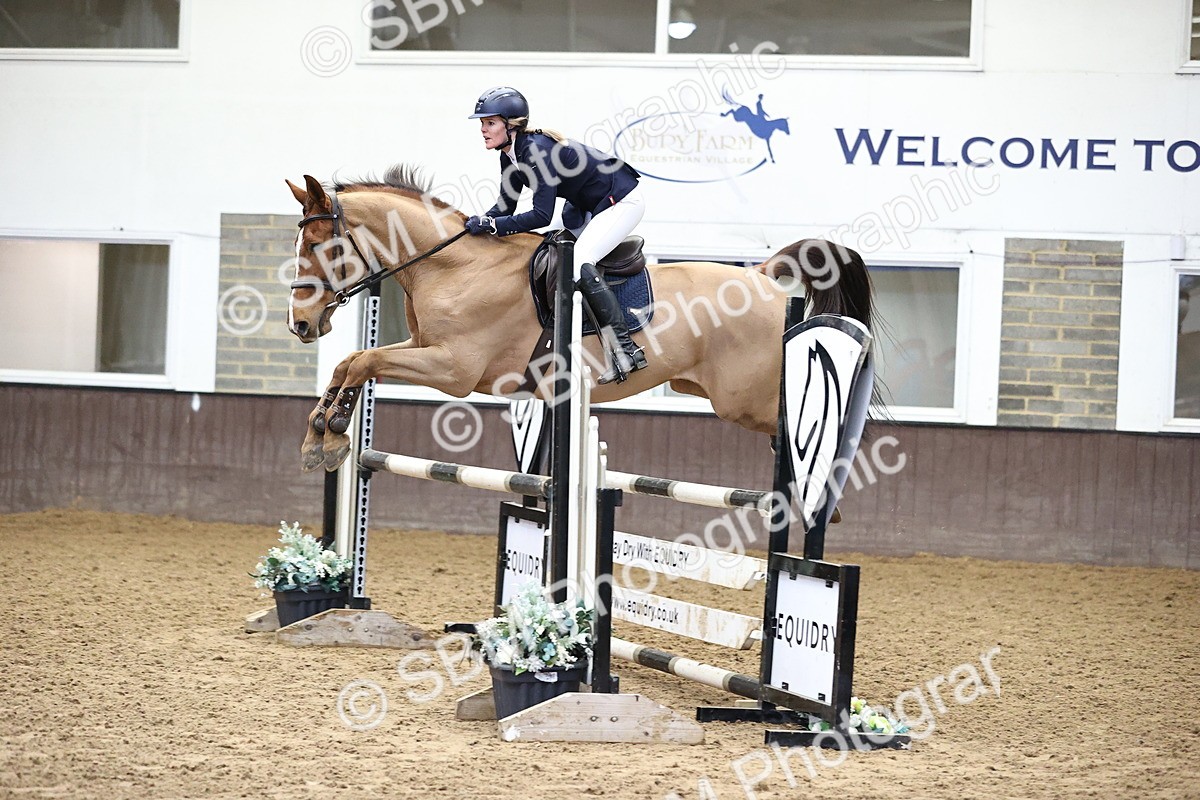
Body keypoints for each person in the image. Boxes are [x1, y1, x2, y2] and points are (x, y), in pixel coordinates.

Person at [465, 86, 648, 384]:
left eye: (490, 123)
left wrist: (493, 226)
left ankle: (626, 350)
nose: (483, 129)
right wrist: (478, 223)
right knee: (555, 251)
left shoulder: (535, 153)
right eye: (483, 123)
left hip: (621, 199)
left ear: (511, 126)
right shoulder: (509, 155)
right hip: (587, 204)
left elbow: (541, 215)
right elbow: (505, 207)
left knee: (580, 261)